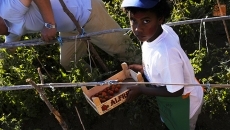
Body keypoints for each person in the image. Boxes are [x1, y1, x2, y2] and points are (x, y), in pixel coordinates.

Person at [121, 0, 204, 130]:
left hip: (185, 102)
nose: (137, 28)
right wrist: (144, 69)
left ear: (160, 18)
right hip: (176, 97)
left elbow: (176, 90)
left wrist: (142, 89)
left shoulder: (166, 53)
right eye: (133, 20)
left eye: (146, 21)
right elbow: (161, 66)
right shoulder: (157, 33)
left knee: (183, 126)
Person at [0, 0, 141, 70]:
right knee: (69, 63)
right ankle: (101, 83)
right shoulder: (7, 29)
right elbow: (10, 44)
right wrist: (5, 61)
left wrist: (49, 25)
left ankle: (151, 76)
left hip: (85, 11)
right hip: (70, 27)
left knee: (123, 50)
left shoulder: (6, 9)